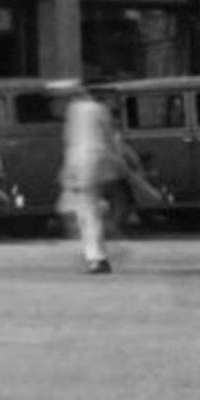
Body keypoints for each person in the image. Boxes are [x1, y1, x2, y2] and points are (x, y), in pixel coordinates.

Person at [53, 79, 123, 275]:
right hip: (97, 161)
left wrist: (67, 171)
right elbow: (110, 138)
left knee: (87, 212)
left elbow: (71, 141)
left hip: (83, 162)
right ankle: (98, 253)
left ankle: (96, 257)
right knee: (90, 210)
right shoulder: (99, 109)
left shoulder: (76, 110)